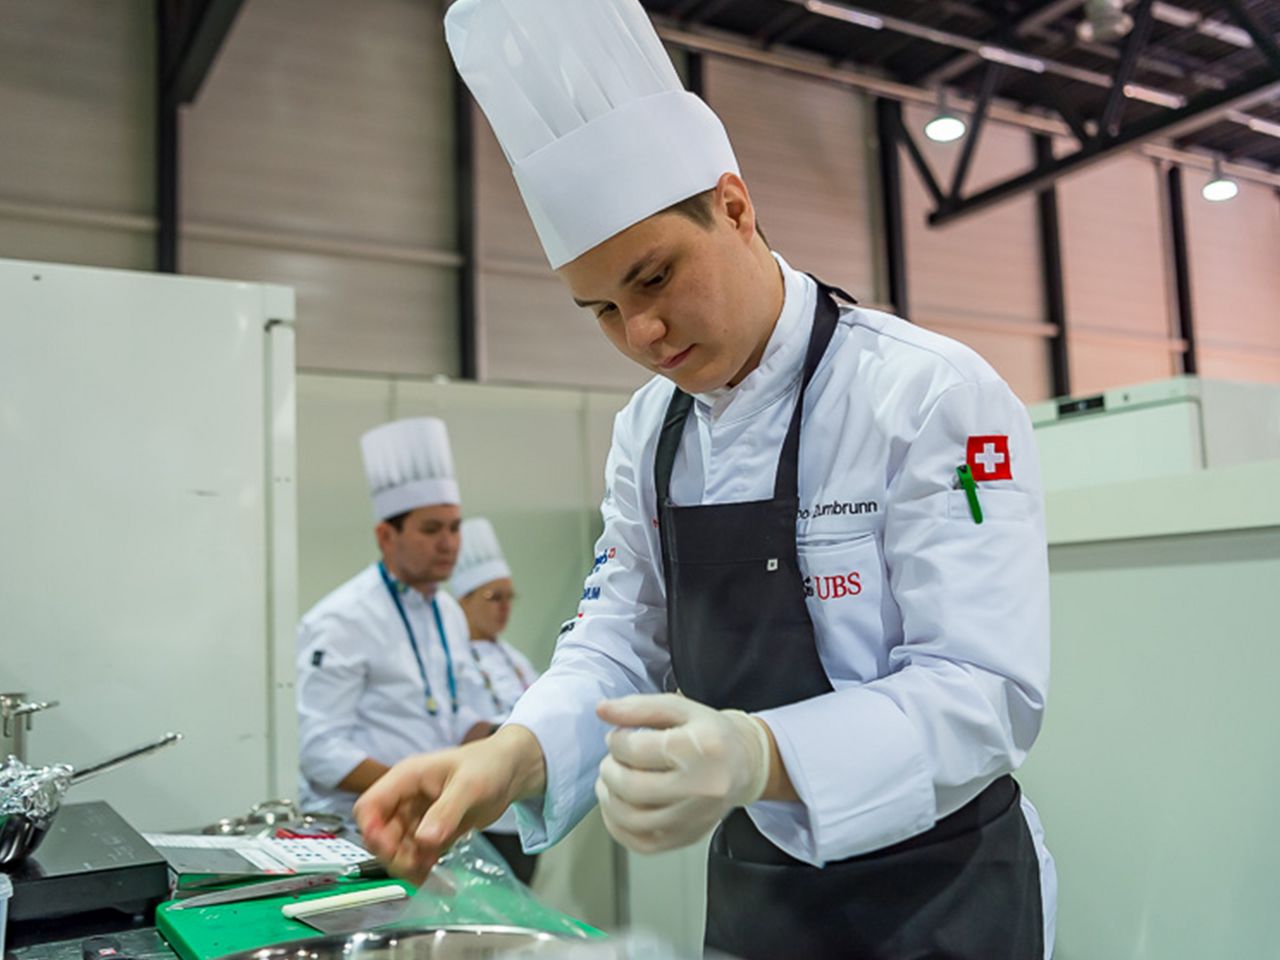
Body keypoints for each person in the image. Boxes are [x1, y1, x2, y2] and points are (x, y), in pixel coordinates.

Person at [357, 2, 1056, 957]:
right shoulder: (649, 432)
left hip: (943, 893)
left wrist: (762, 754)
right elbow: (617, 639)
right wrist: (511, 757)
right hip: (758, 892)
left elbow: (983, 691)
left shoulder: (929, 395)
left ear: (733, 207)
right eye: (601, 310)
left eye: (653, 279)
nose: (641, 334)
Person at [296, 417, 497, 822]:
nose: (449, 544)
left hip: (430, 817)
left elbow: (454, 716)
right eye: (431, 529)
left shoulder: (447, 612)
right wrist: (410, 787)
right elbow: (318, 748)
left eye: (455, 528)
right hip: (354, 828)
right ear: (386, 536)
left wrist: (510, 737)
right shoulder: (343, 618)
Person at [449, 516, 541, 884]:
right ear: (464, 601)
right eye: (493, 597)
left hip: (523, 811)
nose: (504, 607)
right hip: (480, 818)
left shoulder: (517, 660)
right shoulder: (451, 659)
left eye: (509, 597)